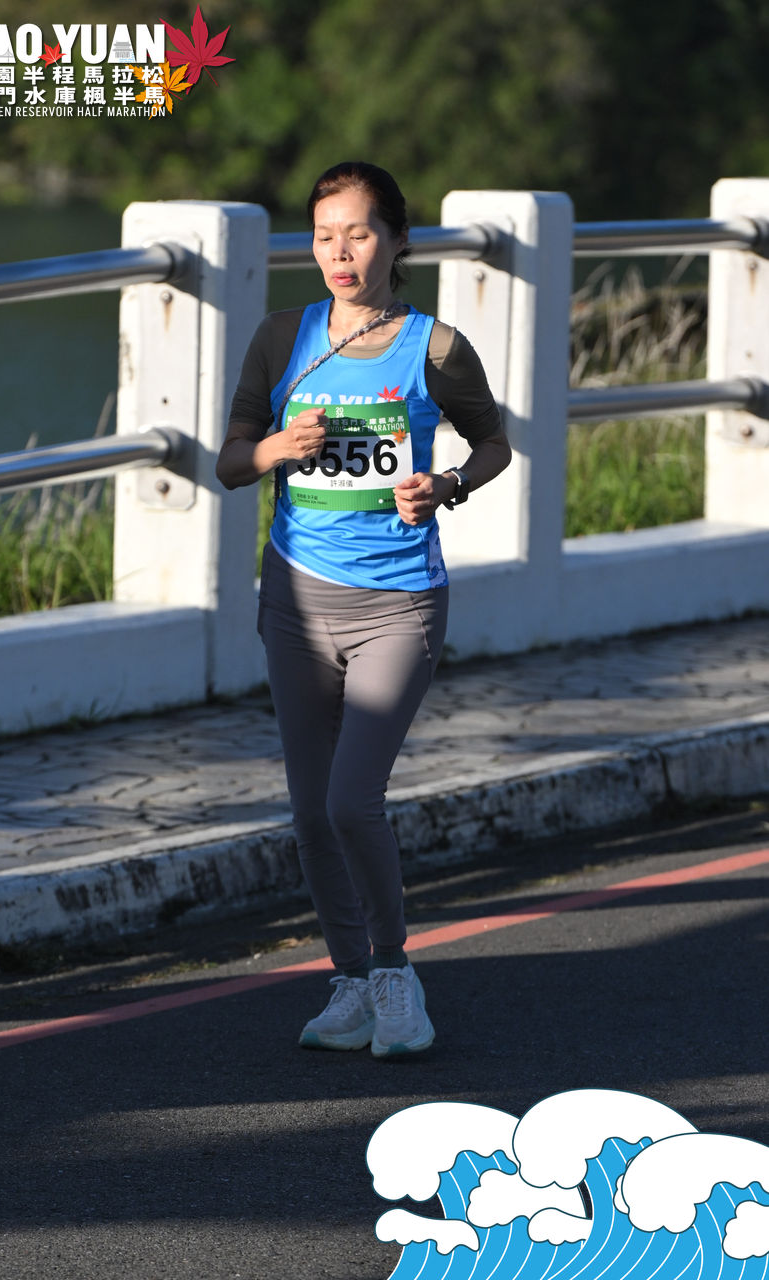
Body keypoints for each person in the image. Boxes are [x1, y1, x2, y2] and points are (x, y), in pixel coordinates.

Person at [216, 161, 511, 1057]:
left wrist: (445, 485)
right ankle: (347, 981)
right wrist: (275, 447)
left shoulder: (435, 347)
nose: (340, 253)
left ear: (396, 240)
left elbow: (493, 444)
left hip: (397, 603)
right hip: (295, 601)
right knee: (311, 812)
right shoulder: (282, 336)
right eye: (323, 236)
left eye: (358, 233)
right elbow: (229, 462)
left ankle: (392, 973)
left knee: (352, 801)